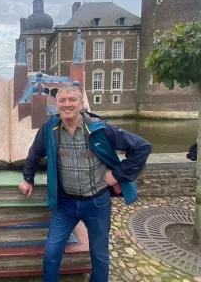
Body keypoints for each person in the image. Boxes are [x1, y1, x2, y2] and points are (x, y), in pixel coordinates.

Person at [18, 85, 151, 282]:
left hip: (97, 203)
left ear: (81, 104)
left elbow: (142, 147)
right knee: (52, 252)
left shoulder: (99, 128)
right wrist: (28, 178)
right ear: (56, 105)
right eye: (62, 101)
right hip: (65, 204)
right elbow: (35, 153)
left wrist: (117, 174)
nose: (67, 104)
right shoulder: (50, 129)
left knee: (99, 254)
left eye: (72, 100)